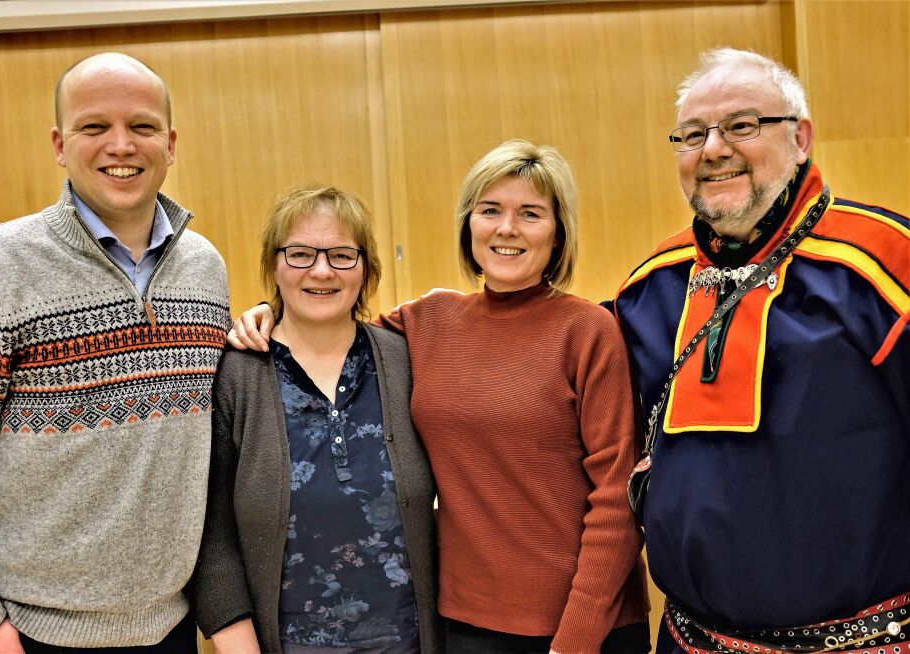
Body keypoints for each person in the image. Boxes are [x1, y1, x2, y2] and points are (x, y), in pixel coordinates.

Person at [230, 141, 650, 654]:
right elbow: (327, 322)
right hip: (465, 623)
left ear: (558, 233)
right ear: (468, 225)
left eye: (531, 213)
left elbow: (618, 495)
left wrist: (576, 640)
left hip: (582, 625)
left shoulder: (588, 330)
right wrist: (265, 313)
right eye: (490, 210)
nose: (506, 228)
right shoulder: (429, 321)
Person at [0, 53, 230, 654]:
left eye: (142, 127)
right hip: (27, 632)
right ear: (60, 145)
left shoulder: (205, 269)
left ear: (170, 144)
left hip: (172, 625)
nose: (121, 145)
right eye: (94, 127)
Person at [611, 47, 909, 652]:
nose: (714, 149)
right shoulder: (648, 289)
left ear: (800, 137)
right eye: (692, 135)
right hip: (688, 640)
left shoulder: (885, 266)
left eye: (743, 125)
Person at [190, 184, 440, 654]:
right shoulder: (235, 373)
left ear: (366, 269)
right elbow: (208, 531)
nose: (322, 271)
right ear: (274, 265)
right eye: (301, 253)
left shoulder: (405, 360)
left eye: (343, 255)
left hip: (407, 641)